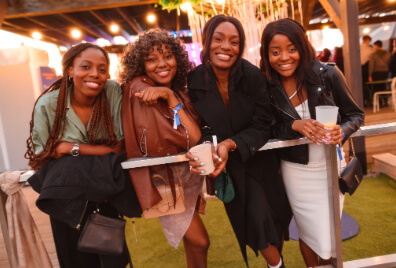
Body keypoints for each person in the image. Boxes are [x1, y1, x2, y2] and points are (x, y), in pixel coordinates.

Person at [186, 15, 292, 268]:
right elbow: (201, 126)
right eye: (218, 39)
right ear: (207, 41)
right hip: (230, 168)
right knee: (257, 219)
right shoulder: (194, 80)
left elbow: (262, 124)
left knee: (275, 220)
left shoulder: (252, 75)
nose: (226, 47)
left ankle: (274, 263)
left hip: (262, 160)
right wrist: (212, 145)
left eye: (234, 42)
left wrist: (230, 143)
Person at [260, 18, 364, 267]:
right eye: (275, 52)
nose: (284, 57)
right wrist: (294, 126)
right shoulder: (267, 86)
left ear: (302, 47)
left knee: (328, 234)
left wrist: (343, 130)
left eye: (291, 49)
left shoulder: (328, 73)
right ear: (267, 54)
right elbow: (265, 129)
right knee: (306, 228)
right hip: (296, 170)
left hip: (330, 165)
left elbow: (356, 115)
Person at [25, 43, 137, 268]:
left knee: (112, 261)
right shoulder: (48, 105)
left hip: (104, 193)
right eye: (86, 66)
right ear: (69, 70)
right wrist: (98, 153)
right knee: (74, 261)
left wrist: (70, 149)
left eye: (102, 69)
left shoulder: (113, 91)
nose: (95, 74)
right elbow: (41, 157)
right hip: (65, 200)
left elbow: (118, 148)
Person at [119, 29, 209, 267]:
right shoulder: (140, 89)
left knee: (194, 243)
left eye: (168, 56)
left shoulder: (174, 89)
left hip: (182, 176)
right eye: (151, 59)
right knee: (201, 241)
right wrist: (169, 97)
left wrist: (170, 95)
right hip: (162, 179)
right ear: (140, 64)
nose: (162, 64)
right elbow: (192, 138)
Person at [369, 40, 391, 107]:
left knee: (377, 88)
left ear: (376, 46)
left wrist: (370, 75)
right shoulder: (387, 53)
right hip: (385, 72)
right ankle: (386, 101)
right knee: (384, 86)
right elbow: (389, 62)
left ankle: (380, 103)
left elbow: (371, 66)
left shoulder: (373, 55)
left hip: (377, 72)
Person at [360, 35, 374, 106]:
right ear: (367, 40)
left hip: (359, 68)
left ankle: (363, 101)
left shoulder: (358, 47)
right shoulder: (369, 49)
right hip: (366, 68)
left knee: (361, 85)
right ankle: (368, 100)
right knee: (367, 85)